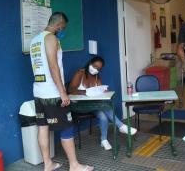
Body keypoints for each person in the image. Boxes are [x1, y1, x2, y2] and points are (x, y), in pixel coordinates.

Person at [30, 12, 93, 171]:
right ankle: (74, 165)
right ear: (58, 25)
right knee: (67, 127)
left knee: (43, 127)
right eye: (63, 27)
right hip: (53, 93)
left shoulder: (34, 40)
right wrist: (63, 92)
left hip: (39, 92)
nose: (62, 30)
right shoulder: (51, 38)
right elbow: (53, 66)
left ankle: (48, 164)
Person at [69, 56, 137, 150]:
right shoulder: (80, 73)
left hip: (93, 105)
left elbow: (99, 90)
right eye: (95, 66)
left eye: (98, 69)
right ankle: (121, 126)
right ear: (90, 63)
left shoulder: (97, 77)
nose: (96, 69)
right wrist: (85, 92)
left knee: (103, 115)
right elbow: (71, 89)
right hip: (78, 105)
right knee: (104, 105)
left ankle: (103, 140)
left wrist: (103, 90)